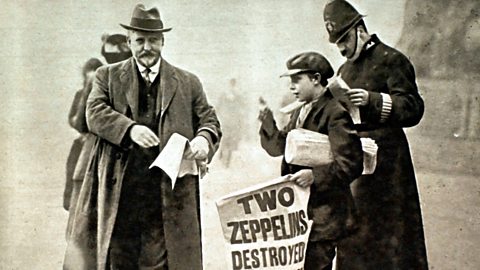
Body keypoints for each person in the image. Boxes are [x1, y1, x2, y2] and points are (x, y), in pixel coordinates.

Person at [64, 4, 221, 270]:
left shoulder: (187, 82)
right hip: (119, 191)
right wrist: (129, 129)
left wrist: (204, 140)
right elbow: (94, 112)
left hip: (167, 193)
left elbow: (209, 119)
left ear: (163, 41)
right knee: (118, 259)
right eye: (140, 41)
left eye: (153, 40)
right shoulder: (107, 76)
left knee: (159, 262)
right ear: (129, 41)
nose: (146, 47)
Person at [322, 1, 428, 269]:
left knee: (389, 241)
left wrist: (374, 100)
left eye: (344, 39)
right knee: (354, 237)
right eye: (337, 44)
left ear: (360, 30)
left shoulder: (392, 60)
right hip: (356, 165)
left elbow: (413, 108)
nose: (342, 48)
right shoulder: (344, 71)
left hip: (389, 170)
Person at [258, 52, 364, 270]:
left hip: (325, 216)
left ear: (316, 78)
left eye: (297, 80)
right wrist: (267, 121)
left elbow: (351, 163)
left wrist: (314, 176)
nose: (291, 87)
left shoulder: (335, 112)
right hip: (304, 214)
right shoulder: (300, 112)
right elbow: (280, 148)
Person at [63, 34, 132, 240]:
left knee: (85, 227)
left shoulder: (98, 78)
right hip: (127, 156)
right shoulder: (136, 80)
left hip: (95, 155)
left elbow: (80, 122)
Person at [63, 57, 102, 222]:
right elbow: (73, 119)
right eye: (88, 79)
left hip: (98, 142)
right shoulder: (80, 95)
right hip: (83, 141)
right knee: (74, 171)